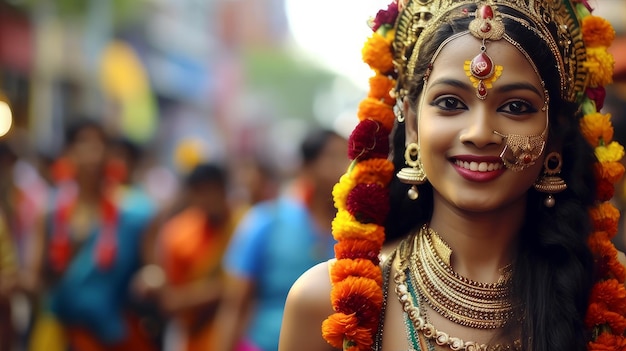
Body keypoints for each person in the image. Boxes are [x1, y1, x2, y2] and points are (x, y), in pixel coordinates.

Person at [279, 1, 626, 350]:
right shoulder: (328, 302)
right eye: (450, 103)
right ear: (413, 125)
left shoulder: (612, 294)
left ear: (555, 137)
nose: (478, 132)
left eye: (516, 107)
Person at [212, 127, 349, 351]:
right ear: (306, 167)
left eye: (349, 158)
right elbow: (235, 304)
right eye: (333, 157)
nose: (346, 168)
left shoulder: (363, 231)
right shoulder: (265, 221)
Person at [25, 118, 157, 351]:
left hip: (111, 336)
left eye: (100, 144)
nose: (93, 153)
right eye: (83, 143)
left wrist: (151, 278)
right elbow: (34, 278)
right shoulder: (50, 212)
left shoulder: (134, 213)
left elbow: (152, 268)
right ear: (68, 153)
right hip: (59, 333)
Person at [134, 162, 239, 351]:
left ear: (225, 189)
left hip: (240, 335)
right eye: (201, 191)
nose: (209, 198)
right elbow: (172, 302)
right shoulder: (178, 234)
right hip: (194, 337)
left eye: (214, 189)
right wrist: (225, 290)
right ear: (192, 195)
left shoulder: (245, 226)